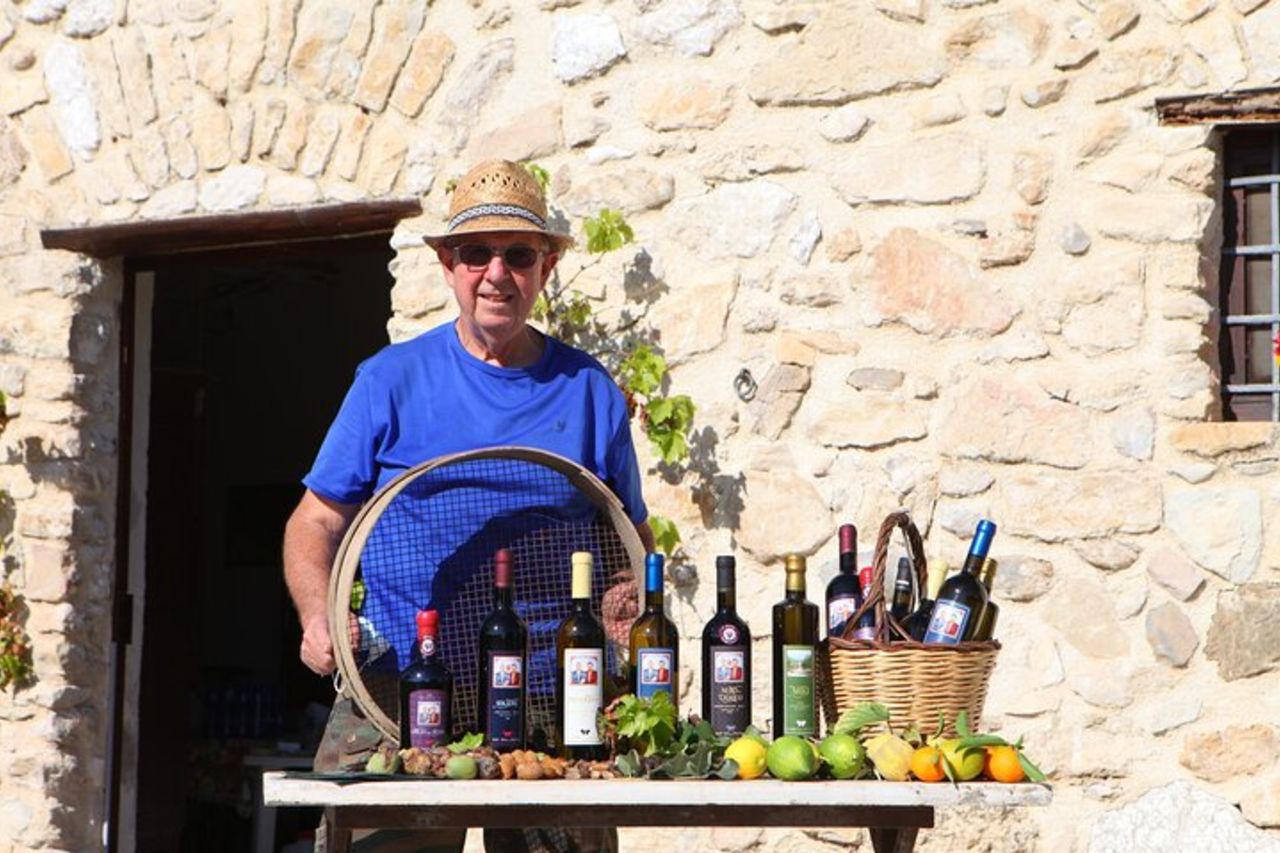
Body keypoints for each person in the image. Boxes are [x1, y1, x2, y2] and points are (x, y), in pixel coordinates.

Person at [283, 160, 653, 853]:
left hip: (552, 689)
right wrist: (315, 616)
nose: (496, 273)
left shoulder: (588, 390)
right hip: (399, 679)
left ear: (543, 268)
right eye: (476, 253)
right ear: (449, 265)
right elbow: (316, 521)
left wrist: (627, 601)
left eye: (517, 255)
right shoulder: (389, 380)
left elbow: (628, 535)